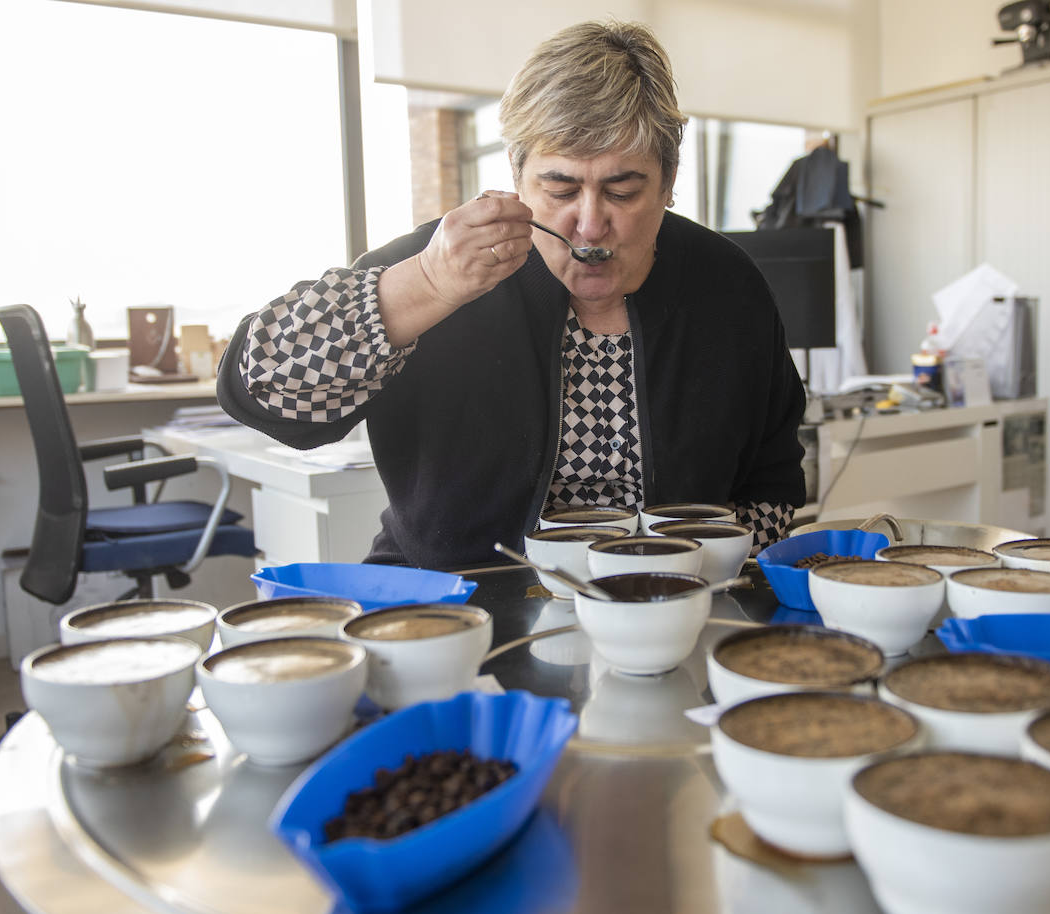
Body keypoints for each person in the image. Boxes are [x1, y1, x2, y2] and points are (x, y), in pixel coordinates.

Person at [218, 19, 806, 570]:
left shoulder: (728, 285)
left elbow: (774, 475)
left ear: (670, 183)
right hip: (455, 597)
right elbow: (260, 390)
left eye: (623, 191)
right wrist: (426, 286)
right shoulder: (441, 262)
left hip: (668, 600)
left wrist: (716, 563)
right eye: (560, 188)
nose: (590, 222)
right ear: (518, 178)